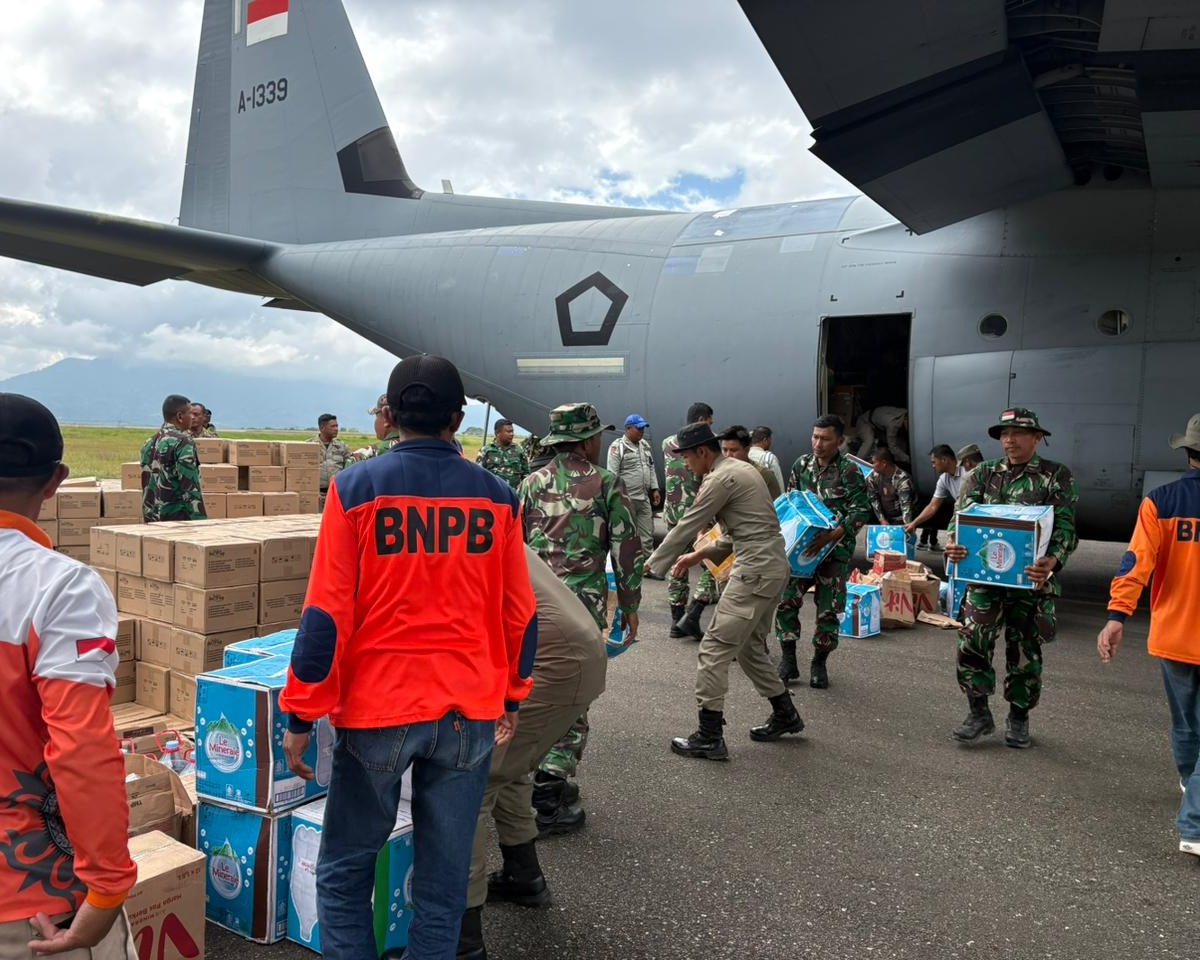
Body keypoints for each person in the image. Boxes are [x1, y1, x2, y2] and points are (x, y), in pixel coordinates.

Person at [279, 355, 537, 960]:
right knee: (443, 881)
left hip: (379, 712)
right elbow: (521, 616)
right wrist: (512, 695)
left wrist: (300, 714)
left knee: (346, 868)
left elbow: (324, 618)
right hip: (468, 712)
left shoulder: (355, 489)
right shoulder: (498, 496)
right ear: (458, 417)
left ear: (390, 414)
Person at [0, 394, 138, 959]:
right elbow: (81, 747)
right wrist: (106, 889)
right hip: (32, 901)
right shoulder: (59, 587)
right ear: (57, 479)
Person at [460, 544, 607, 959]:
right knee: (511, 767)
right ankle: (524, 876)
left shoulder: (445, 524)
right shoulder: (482, 511)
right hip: (569, 653)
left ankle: (461, 937)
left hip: (552, 661)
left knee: (476, 780)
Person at [518, 402, 642, 834]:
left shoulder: (530, 483)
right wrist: (629, 605)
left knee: (534, 686)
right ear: (588, 440)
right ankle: (549, 794)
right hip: (581, 609)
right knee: (575, 691)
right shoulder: (607, 484)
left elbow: (513, 548)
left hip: (532, 608)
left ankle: (537, 773)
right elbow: (626, 551)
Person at [647, 422, 802, 760]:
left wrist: (652, 565)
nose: (685, 464)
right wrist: (699, 554)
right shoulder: (742, 470)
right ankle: (785, 714)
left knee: (713, 649)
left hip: (755, 572)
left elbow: (687, 522)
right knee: (747, 648)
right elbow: (745, 529)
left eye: (686, 457)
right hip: (772, 567)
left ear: (703, 452)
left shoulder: (718, 478)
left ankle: (709, 736)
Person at [945, 407, 1078, 748]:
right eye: (1004, 434)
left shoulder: (1054, 476)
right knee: (972, 640)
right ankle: (978, 712)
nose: (1009, 440)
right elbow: (960, 518)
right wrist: (953, 544)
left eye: (1018, 433)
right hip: (985, 578)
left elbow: (1065, 527)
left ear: (1037, 438)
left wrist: (1053, 560)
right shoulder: (983, 473)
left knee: (1024, 650)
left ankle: (1018, 717)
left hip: (1031, 581)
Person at [1098, 414, 1200, 859]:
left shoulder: (1160, 501)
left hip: (1173, 635)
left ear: (1188, 453)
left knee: (1185, 722)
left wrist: (1117, 616)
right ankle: (1194, 824)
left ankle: (1189, 780)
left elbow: (1134, 564)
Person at [776, 414, 872, 690]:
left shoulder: (850, 472)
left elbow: (860, 510)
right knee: (786, 601)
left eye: (825, 439)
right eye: (815, 437)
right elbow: (793, 501)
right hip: (801, 551)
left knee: (829, 610)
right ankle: (788, 659)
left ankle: (819, 661)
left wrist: (832, 536)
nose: (818, 443)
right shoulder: (801, 465)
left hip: (834, 552)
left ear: (840, 441)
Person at [662, 403, 721, 639]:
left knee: (678, 564)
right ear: (701, 420)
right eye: (709, 421)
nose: (711, 427)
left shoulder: (667, 443)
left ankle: (677, 621)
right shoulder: (710, 443)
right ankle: (694, 613)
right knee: (711, 562)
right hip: (700, 514)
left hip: (674, 513)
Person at [140, 394, 206, 522]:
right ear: (180, 417)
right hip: (176, 518)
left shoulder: (149, 442)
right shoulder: (183, 442)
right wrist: (200, 520)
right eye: (190, 413)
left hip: (151, 517)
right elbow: (189, 485)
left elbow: (147, 482)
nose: (192, 418)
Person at [607, 414, 662, 560]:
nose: (641, 431)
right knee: (627, 535)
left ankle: (647, 565)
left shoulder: (644, 445)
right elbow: (612, 475)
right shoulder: (617, 447)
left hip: (643, 497)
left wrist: (655, 488)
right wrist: (617, 499)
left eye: (643, 428)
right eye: (638, 428)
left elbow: (650, 467)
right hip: (627, 499)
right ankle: (627, 566)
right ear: (628, 429)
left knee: (647, 533)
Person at [905, 444, 968, 550]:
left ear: (944, 460)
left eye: (934, 462)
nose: (933, 466)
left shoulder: (966, 472)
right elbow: (933, 506)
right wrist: (914, 524)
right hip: (962, 516)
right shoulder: (944, 479)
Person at [719, 424, 782, 499]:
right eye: (725, 450)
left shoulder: (763, 475)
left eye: (733, 450)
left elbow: (777, 505)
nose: (728, 455)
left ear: (747, 450)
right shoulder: (716, 474)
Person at [866, 446, 915, 526]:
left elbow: (906, 507)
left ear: (884, 463)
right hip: (884, 516)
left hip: (900, 517)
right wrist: (882, 519)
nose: (873, 466)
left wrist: (906, 527)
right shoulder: (873, 476)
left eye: (874, 463)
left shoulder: (902, 479)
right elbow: (873, 498)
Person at [310, 413, 351, 508]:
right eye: (333, 426)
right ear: (322, 428)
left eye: (337, 426)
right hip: (316, 494)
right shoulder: (309, 446)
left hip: (336, 493)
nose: (336, 429)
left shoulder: (342, 447)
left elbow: (349, 468)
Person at [477, 419, 530, 490]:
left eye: (512, 431)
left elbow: (526, 474)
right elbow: (479, 475)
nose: (512, 434)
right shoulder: (486, 451)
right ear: (497, 433)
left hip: (514, 494)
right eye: (508, 431)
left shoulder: (519, 450)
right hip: (493, 493)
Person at [749, 426, 786, 495]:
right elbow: (779, 483)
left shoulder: (744, 456)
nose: (771, 442)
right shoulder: (769, 458)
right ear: (765, 440)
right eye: (770, 439)